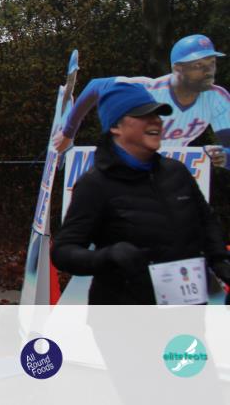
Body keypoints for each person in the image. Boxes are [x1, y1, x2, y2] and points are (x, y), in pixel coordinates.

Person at [51, 82, 230, 304]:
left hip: (187, 308)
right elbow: (63, 251)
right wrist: (107, 257)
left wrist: (220, 260)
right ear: (116, 126)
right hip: (126, 312)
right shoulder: (95, 184)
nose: (156, 121)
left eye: (157, 114)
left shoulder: (177, 171)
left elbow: (206, 220)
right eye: (143, 115)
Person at [54, 34, 229, 168]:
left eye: (212, 63)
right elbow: (95, 86)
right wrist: (69, 132)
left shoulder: (217, 99)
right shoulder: (148, 90)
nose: (209, 71)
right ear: (177, 68)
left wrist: (225, 157)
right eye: (198, 65)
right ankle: (66, 146)